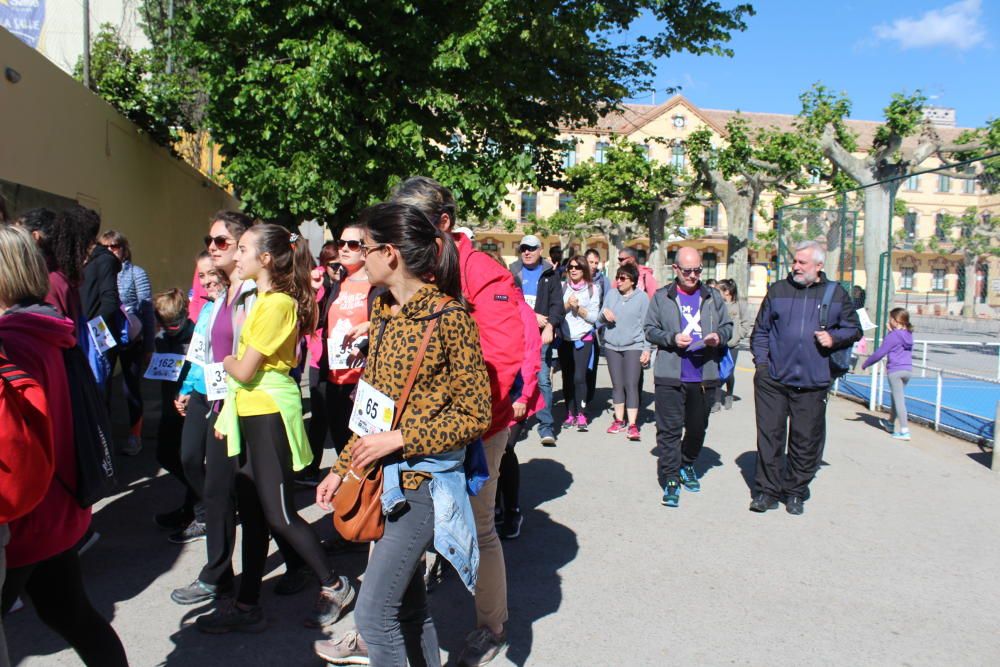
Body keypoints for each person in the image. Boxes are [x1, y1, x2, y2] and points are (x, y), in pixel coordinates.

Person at [314, 202, 491, 667]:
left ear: (390, 254)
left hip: (424, 484)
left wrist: (401, 439)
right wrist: (341, 467)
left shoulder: (450, 318)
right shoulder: (387, 312)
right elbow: (372, 408)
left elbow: (476, 415)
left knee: (373, 618)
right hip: (385, 482)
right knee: (410, 612)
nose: (358, 258)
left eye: (365, 248)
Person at [196, 223, 354, 634]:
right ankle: (247, 604)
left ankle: (335, 583)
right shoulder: (264, 299)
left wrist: (228, 362)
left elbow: (244, 366)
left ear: (265, 258)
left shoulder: (277, 303)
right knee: (253, 513)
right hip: (250, 407)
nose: (238, 255)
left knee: (280, 513)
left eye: (244, 248)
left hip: (267, 410)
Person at [390, 177, 523, 666]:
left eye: (412, 226)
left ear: (443, 224)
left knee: (480, 527)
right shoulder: (410, 266)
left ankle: (491, 628)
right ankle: (381, 621)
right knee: (399, 522)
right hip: (411, 428)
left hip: (476, 429)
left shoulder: (484, 274)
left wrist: (448, 421)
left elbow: (501, 361)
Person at [0, 225, 129, 666]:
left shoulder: (12, 342)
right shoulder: (44, 329)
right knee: (71, 613)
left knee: (71, 614)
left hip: (25, 515)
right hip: (58, 503)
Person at [171, 211, 308, 606]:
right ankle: (228, 577)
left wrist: (229, 395)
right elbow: (208, 348)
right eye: (209, 241)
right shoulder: (223, 292)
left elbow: (246, 361)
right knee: (211, 481)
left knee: (252, 498)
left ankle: (247, 585)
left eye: (222, 242)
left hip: (243, 403)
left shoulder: (256, 296)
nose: (212, 248)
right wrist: (191, 385)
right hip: (217, 397)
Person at [749, 241, 861, 515]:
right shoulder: (778, 290)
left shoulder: (836, 294)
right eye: (795, 261)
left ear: (819, 266)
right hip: (773, 379)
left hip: (813, 381)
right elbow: (761, 331)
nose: (796, 267)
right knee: (770, 437)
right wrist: (762, 364)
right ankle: (767, 491)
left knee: (805, 440)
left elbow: (853, 329)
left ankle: (795, 491)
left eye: (803, 263)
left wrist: (834, 338)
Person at [644, 247, 732, 507]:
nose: (693, 276)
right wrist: (671, 339)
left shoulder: (713, 297)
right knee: (669, 431)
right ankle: (671, 478)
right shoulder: (662, 297)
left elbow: (728, 327)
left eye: (697, 271)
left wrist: (719, 337)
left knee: (696, 428)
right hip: (670, 374)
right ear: (676, 270)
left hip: (704, 375)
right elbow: (649, 329)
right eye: (687, 271)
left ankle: (687, 463)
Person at [304, 228, 379, 486]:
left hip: (363, 383)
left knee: (363, 458)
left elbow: (389, 326)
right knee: (342, 453)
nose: (344, 248)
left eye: (353, 244)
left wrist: (369, 334)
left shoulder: (377, 285)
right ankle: (352, 512)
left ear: (366, 249)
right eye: (341, 243)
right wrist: (315, 294)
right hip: (334, 380)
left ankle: (369, 517)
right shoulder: (337, 283)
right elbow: (315, 325)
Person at [160, 255, 222, 538]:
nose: (206, 281)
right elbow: (197, 356)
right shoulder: (207, 309)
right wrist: (185, 388)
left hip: (227, 397)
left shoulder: (239, 306)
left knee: (229, 467)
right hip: (200, 391)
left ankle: (212, 514)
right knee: (188, 458)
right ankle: (209, 510)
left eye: (212, 274)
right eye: (202, 276)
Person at [148, 289, 201, 543]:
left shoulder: (194, 337)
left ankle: (200, 508)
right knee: (166, 455)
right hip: (169, 407)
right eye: (165, 322)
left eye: (175, 322)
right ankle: (196, 502)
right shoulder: (161, 338)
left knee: (189, 460)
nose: (170, 327)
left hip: (190, 407)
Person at [496, 277, 544, 540]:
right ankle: (493, 507)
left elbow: (531, 355)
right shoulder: (481, 304)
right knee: (490, 454)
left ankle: (512, 509)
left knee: (505, 451)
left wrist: (522, 396)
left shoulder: (520, 309)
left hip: (517, 395)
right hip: (493, 393)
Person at [100, 230, 154, 456]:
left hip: (131, 338)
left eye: (115, 246)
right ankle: (103, 437)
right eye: (106, 247)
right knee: (102, 387)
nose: (111, 251)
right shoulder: (100, 273)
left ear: (124, 248)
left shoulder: (136, 273)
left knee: (131, 387)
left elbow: (147, 309)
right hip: (105, 338)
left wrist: (150, 346)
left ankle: (135, 435)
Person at [508, 235, 565, 446]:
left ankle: (546, 426)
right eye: (523, 248)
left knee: (542, 380)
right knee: (514, 380)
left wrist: (550, 326)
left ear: (540, 250)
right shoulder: (512, 271)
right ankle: (515, 423)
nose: (527, 252)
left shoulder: (550, 273)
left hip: (541, 336)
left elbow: (557, 306)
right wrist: (532, 316)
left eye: (531, 248)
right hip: (515, 335)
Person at [76, 207, 122, 405]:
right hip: (79, 334)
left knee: (98, 392)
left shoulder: (105, 261)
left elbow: (110, 301)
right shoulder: (77, 258)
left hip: (96, 336)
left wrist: (89, 329)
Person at [601, 263, 652, 440]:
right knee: (617, 385)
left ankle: (632, 424)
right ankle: (618, 420)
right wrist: (603, 314)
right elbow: (601, 317)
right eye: (617, 277)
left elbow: (648, 325)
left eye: (623, 278)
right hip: (612, 345)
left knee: (631, 384)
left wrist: (647, 349)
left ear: (632, 281)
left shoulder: (642, 298)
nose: (618, 281)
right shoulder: (611, 294)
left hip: (634, 346)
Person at [559, 255, 600, 431]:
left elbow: (594, 317)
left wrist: (578, 309)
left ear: (584, 270)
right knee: (567, 378)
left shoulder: (593, 289)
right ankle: (570, 413)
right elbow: (555, 313)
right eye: (570, 267)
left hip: (583, 339)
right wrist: (567, 306)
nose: (573, 270)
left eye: (577, 267)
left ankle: (581, 413)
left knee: (579, 377)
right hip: (565, 339)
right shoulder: (562, 288)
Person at [862, 308, 914, 441]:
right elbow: (898, 342)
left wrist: (866, 363)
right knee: (896, 397)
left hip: (895, 371)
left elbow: (880, 353)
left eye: (890, 318)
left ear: (895, 320)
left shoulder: (893, 336)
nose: (888, 320)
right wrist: (891, 332)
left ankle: (904, 430)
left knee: (899, 400)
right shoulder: (908, 334)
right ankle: (890, 423)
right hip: (907, 370)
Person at [717, 279, 753, 411]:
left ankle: (729, 394)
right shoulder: (717, 304)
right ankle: (715, 400)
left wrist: (738, 336)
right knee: (716, 372)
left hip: (733, 345)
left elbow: (746, 323)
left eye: (718, 290)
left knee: (729, 372)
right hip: (718, 344)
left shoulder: (740, 304)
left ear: (727, 292)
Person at [585, 248, 611, 406]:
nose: (594, 266)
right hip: (575, 330)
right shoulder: (574, 277)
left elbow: (606, 305)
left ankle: (587, 400)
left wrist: (596, 324)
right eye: (590, 262)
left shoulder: (603, 281)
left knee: (590, 368)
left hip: (594, 330)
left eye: (596, 262)